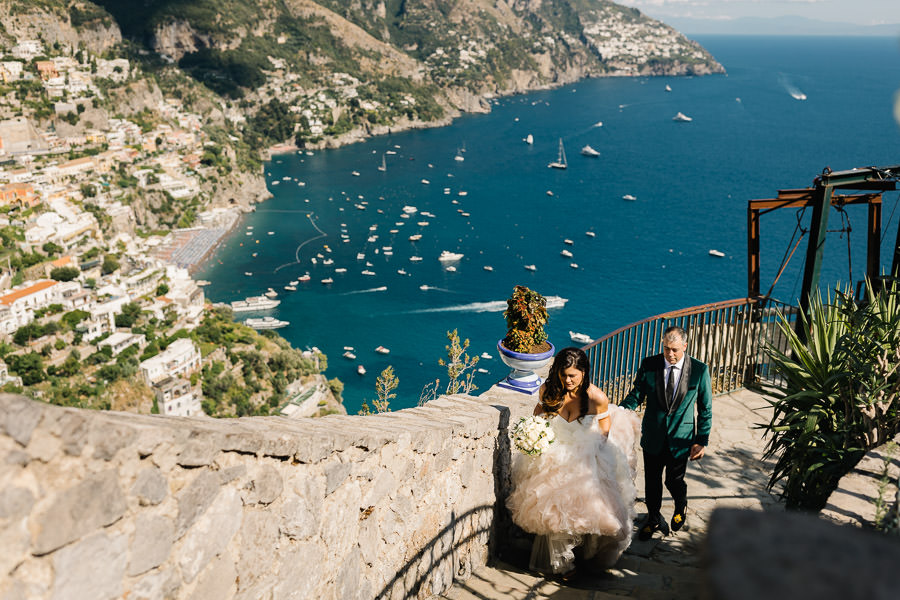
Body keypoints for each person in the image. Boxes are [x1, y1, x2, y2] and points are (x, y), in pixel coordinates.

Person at [506, 347, 640, 577]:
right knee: (552, 512)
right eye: (563, 374)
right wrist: (534, 432)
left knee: (583, 512)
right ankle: (559, 563)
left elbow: (605, 423)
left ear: (584, 373)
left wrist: (599, 445)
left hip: (584, 457)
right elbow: (538, 413)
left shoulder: (596, 397)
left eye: (573, 376)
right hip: (553, 455)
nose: (567, 380)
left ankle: (581, 556)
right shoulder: (549, 390)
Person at [621, 326, 712, 541]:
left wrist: (702, 440)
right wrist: (617, 412)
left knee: (674, 480)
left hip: (680, 439)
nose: (670, 354)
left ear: (685, 346)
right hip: (653, 436)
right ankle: (653, 518)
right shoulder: (649, 365)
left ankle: (681, 506)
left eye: (674, 350)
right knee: (652, 482)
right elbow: (637, 395)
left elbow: (705, 408)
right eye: (666, 349)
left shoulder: (699, 370)